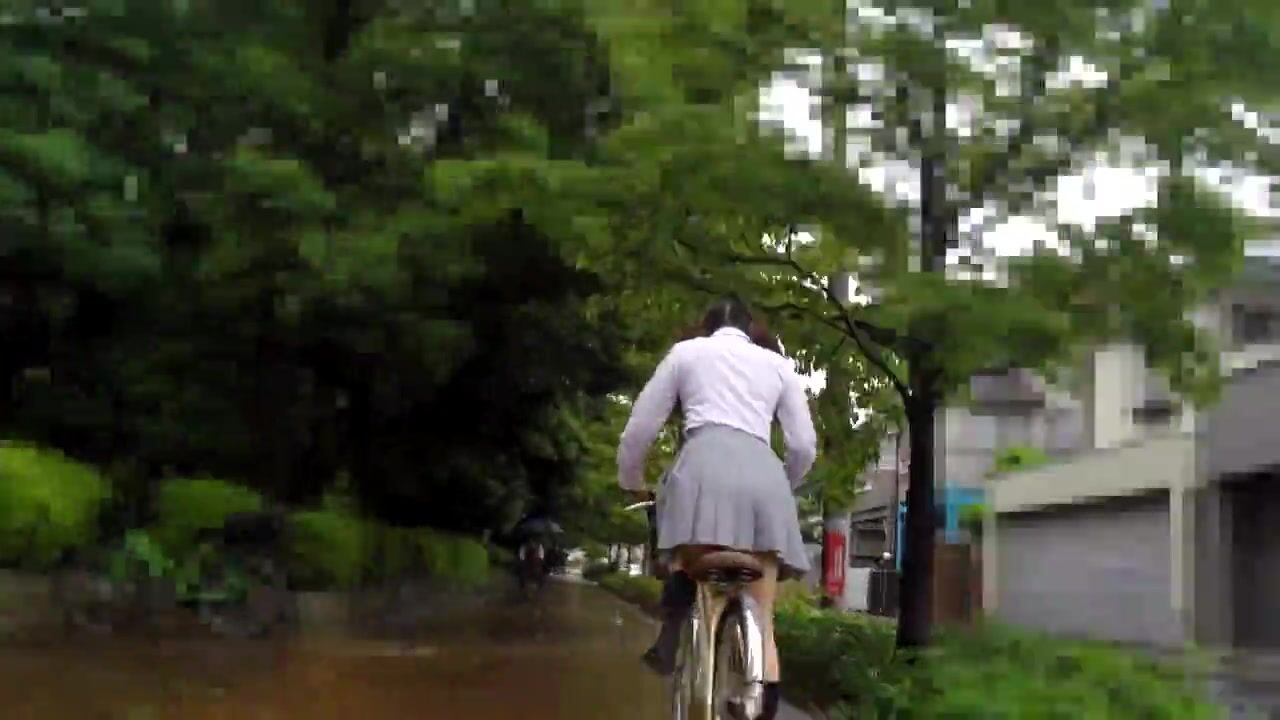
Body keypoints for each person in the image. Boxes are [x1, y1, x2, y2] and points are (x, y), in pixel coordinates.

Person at [617, 297, 817, 720]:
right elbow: (802, 446)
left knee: (684, 561)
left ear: (705, 327)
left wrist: (631, 480)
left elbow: (639, 430)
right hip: (766, 480)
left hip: (700, 473)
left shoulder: (686, 354)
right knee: (763, 617)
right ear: (751, 330)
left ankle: (676, 625)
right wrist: (782, 485)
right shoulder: (778, 366)